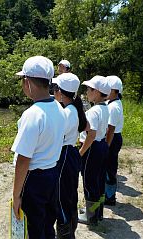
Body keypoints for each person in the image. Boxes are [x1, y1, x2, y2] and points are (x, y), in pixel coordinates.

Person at [12, 56, 66, 238]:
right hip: (52, 174)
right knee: (47, 223)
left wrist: (16, 195)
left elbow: (23, 159)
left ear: (27, 82)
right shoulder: (59, 107)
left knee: (33, 227)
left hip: (33, 179)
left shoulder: (32, 114)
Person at [52, 73, 88, 238]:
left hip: (65, 154)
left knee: (62, 197)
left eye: (54, 88)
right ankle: (70, 230)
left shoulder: (66, 112)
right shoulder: (74, 108)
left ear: (60, 91)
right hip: (71, 153)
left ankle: (65, 234)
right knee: (70, 195)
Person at [78, 75, 111, 225]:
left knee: (89, 181)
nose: (87, 92)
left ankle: (90, 217)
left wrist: (80, 153)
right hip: (102, 146)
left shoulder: (93, 111)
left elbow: (90, 134)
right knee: (99, 180)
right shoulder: (105, 108)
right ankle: (97, 212)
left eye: (89, 89)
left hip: (92, 148)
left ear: (97, 92)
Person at [105, 75, 124, 206]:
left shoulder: (113, 107)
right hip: (114, 137)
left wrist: (106, 147)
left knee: (109, 167)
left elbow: (110, 129)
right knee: (109, 166)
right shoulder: (112, 102)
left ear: (114, 91)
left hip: (112, 138)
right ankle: (107, 195)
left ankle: (110, 197)